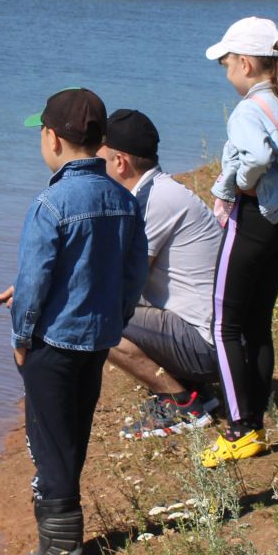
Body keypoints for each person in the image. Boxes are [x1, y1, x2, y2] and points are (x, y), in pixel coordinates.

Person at [0, 88, 148, 555]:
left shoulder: (50, 203)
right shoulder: (124, 199)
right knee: (72, 434)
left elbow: (35, 279)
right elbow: (129, 273)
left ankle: (62, 553)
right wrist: (113, 319)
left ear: (53, 138)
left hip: (53, 344)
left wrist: (22, 336)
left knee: (48, 442)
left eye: (42, 132)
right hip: (96, 341)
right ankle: (61, 543)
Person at [200, 18, 278, 466]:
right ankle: (256, 426)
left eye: (227, 63)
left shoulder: (250, 109)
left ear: (246, 64)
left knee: (224, 324)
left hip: (251, 220)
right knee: (257, 325)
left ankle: (237, 429)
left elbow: (259, 157)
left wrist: (243, 183)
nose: (227, 71)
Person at [95, 109, 223, 427]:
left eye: (100, 161)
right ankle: (197, 393)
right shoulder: (158, 191)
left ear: (120, 162)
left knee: (92, 318)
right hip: (214, 337)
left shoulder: (152, 203)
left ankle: (182, 404)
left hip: (207, 346)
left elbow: (119, 281)